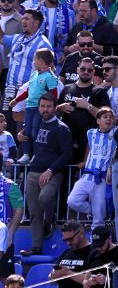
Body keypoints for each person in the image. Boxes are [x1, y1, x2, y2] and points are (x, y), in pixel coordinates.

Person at [20, 93, 70, 256]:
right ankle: (36, 246)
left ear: (55, 108)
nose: (45, 109)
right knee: (34, 212)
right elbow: (29, 139)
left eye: (49, 106)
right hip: (34, 172)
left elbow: (67, 154)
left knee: (45, 198)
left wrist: (51, 170)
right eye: (42, 106)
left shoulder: (62, 128)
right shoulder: (36, 124)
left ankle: (49, 221)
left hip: (53, 173)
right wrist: (22, 136)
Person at [48, 220, 92, 288]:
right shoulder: (66, 253)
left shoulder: (93, 252)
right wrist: (53, 276)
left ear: (81, 233)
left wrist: (68, 273)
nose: (68, 243)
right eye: (65, 240)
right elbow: (52, 275)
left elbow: (91, 280)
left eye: (71, 239)